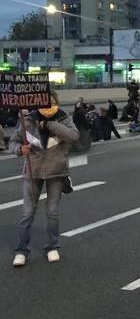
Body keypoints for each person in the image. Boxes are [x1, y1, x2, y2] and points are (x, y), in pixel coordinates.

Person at [9, 92, 79, 267]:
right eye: (45, 102)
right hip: (32, 172)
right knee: (27, 213)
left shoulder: (64, 118)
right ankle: (21, 250)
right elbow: (13, 142)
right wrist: (19, 150)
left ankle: (52, 246)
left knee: (52, 212)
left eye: (52, 102)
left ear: (56, 103)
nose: (48, 105)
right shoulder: (27, 119)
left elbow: (73, 136)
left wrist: (50, 124)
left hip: (56, 172)